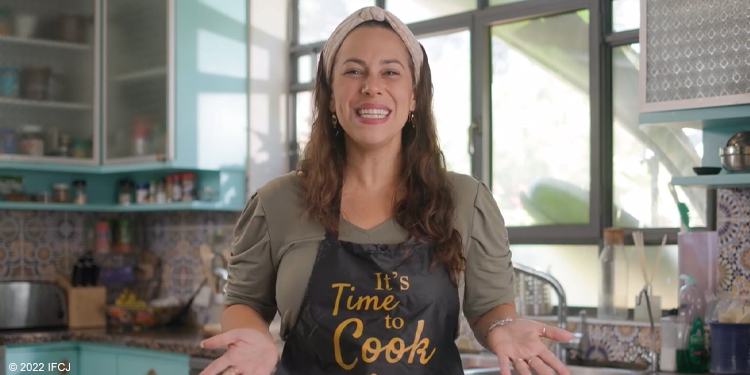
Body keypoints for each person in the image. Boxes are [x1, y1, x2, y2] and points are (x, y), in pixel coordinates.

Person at [199, 6, 573, 375]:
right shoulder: (276, 203)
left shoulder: (466, 201)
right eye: (353, 71)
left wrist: (503, 328)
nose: (371, 86)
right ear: (330, 96)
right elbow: (244, 302)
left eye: (390, 72)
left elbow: (491, 309)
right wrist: (252, 336)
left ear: (414, 96)